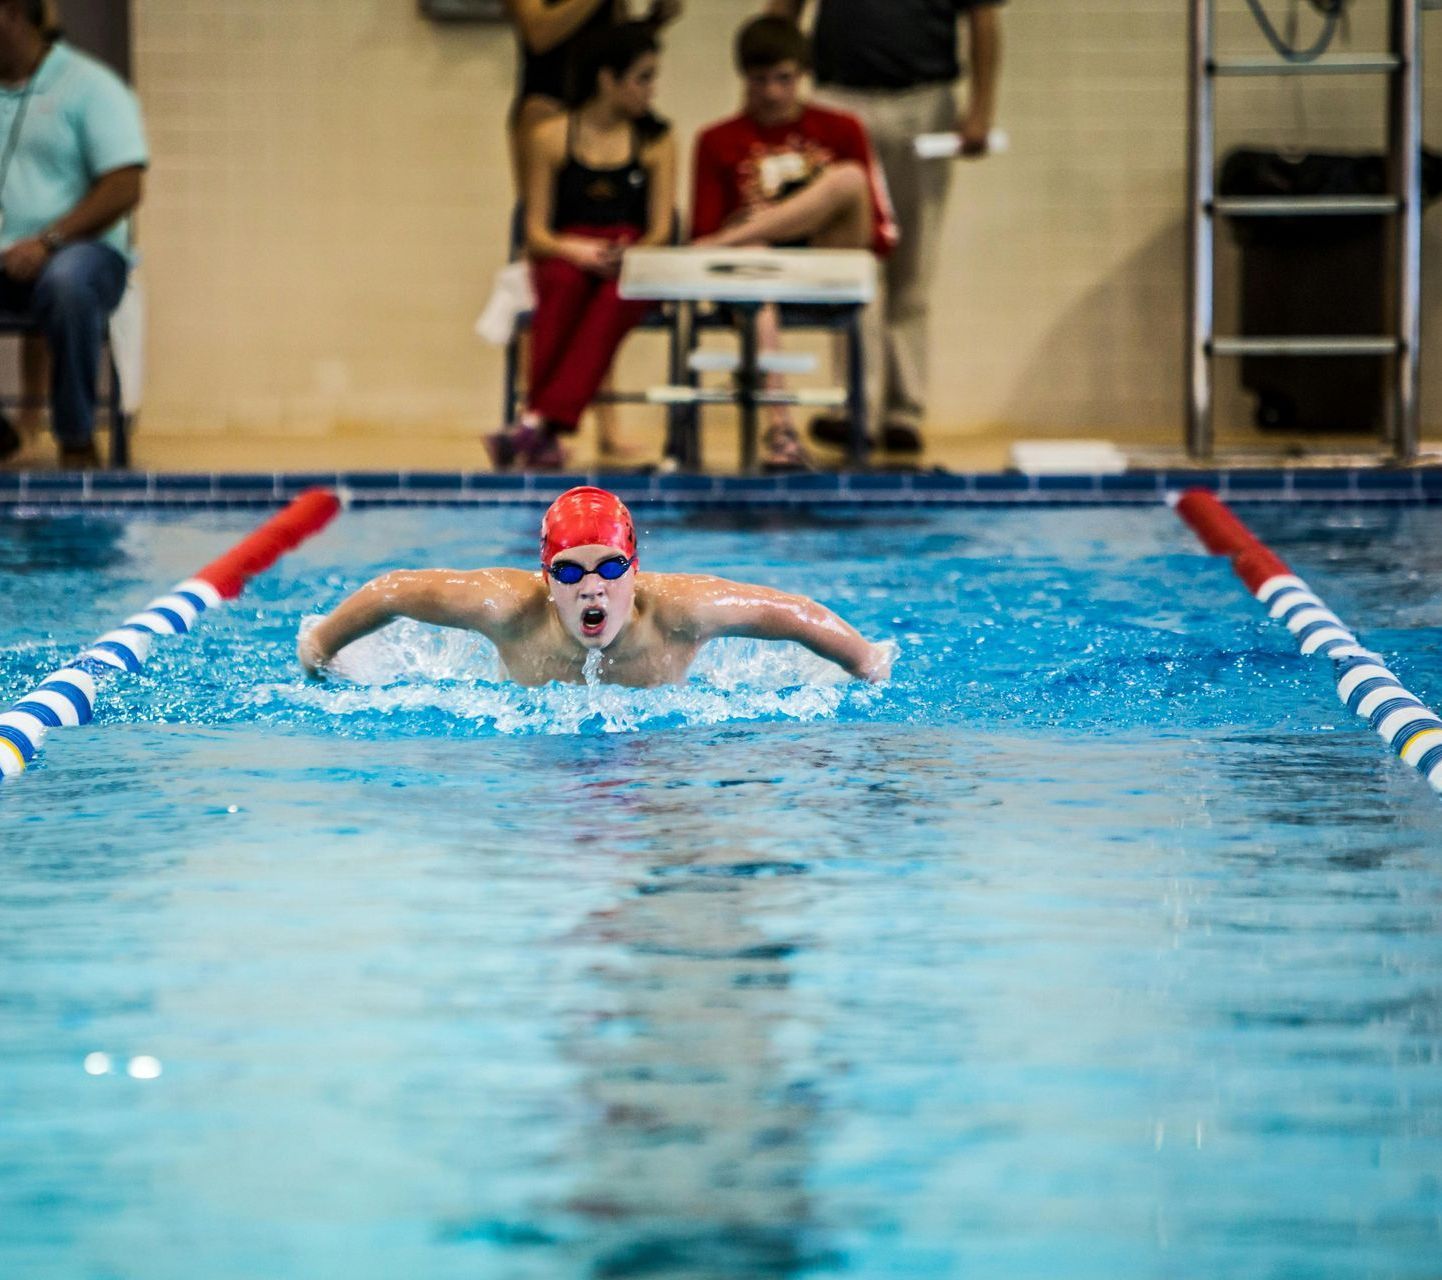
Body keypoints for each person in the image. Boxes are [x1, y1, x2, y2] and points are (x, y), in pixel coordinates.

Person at [299, 485, 893, 688]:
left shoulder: (682, 612)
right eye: (569, 571)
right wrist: (320, 647)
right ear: (545, 578)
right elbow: (394, 590)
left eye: (609, 568)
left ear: (635, 570)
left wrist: (866, 662)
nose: (592, 589)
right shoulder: (505, 608)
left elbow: (792, 612)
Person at [765, 0, 1004, 456]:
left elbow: (984, 16)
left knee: (912, 263)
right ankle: (856, 405)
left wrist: (981, 106)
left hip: (922, 99)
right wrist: (771, 88)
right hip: (839, 94)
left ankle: (903, 410)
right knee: (851, 263)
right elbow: (780, 12)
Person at [689, 16, 895, 471]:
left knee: (848, 178)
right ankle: (781, 431)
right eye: (759, 80)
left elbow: (875, 231)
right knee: (753, 257)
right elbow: (701, 235)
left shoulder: (842, 128)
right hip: (757, 278)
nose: (772, 92)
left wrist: (756, 224)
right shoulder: (716, 141)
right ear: (744, 77)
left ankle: (861, 418)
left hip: (826, 266)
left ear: (802, 74)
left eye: (783, 79)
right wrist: (755, 233)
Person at [487, 22, 677, 472]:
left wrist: (624, 253)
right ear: (607, 79)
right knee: (562, 282)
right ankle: (545, 426)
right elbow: (536, 233)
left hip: (631, 258)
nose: (651, 90)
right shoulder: (550, 137)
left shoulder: (657, 141)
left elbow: (661, 231)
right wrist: (578, 250)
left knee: (617, 294)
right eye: (643, 78)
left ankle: (537, 421)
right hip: (569, 252)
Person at [0, 0, 146, 469]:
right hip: (7, 257)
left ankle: (77, 439)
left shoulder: (89, 87)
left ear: (11, 12)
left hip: (84, 254)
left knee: (67, 281)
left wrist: (48, 242)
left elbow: (125, 185)